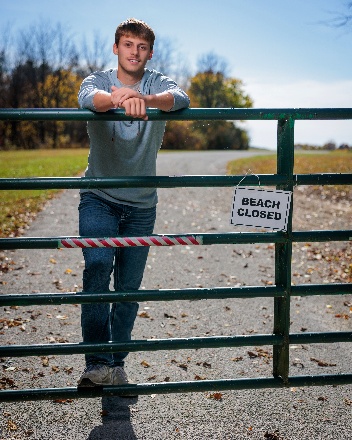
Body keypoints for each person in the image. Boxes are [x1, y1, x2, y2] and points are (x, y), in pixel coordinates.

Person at [77, 18, 190, 389]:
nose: (134, 53)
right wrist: (116, 99)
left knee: (128, 287)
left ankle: (117, 362)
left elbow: (180, 99)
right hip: (99, 198)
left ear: (150, 52)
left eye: (141, 47)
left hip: (141, 205)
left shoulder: (157, 82)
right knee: (96, 270)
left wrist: (145, 99)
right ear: (116, 48)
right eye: (128, 45)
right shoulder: (96, 78)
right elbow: (89, 100)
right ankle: (96, 365)